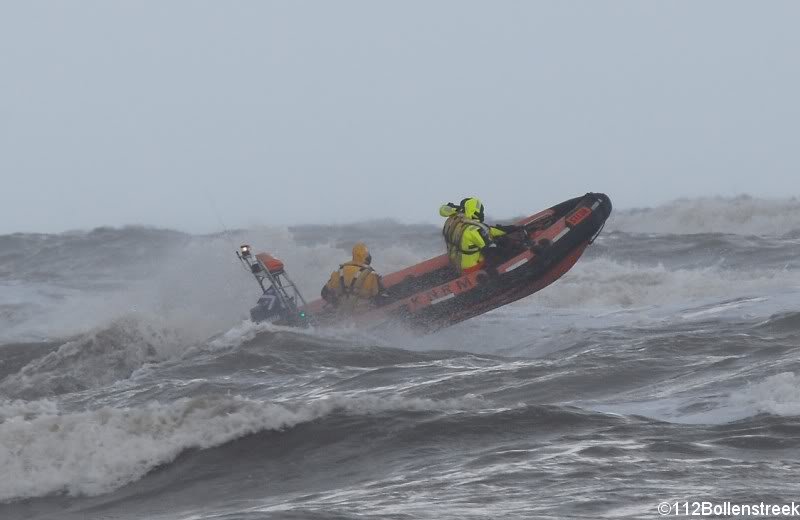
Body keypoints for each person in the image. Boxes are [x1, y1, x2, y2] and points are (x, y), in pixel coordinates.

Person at [440, 197, 520, 273]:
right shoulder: (473, 230)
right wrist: (514, 251)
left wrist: (510, 228)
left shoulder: (454, 221)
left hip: (456, 262)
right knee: (504, 246)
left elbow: (489, 230)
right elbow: (491, 251)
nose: (482, 214)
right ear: (475, 211)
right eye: (480, 211)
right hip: (472, 268)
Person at [321, 242, 385, 312]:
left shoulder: (340, 271)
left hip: (341, 309)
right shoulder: (371, 275)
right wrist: (379, 281)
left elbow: (324, 292)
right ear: (365, 257)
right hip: (361, 311)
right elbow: (377, 295)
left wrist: (335, 303)